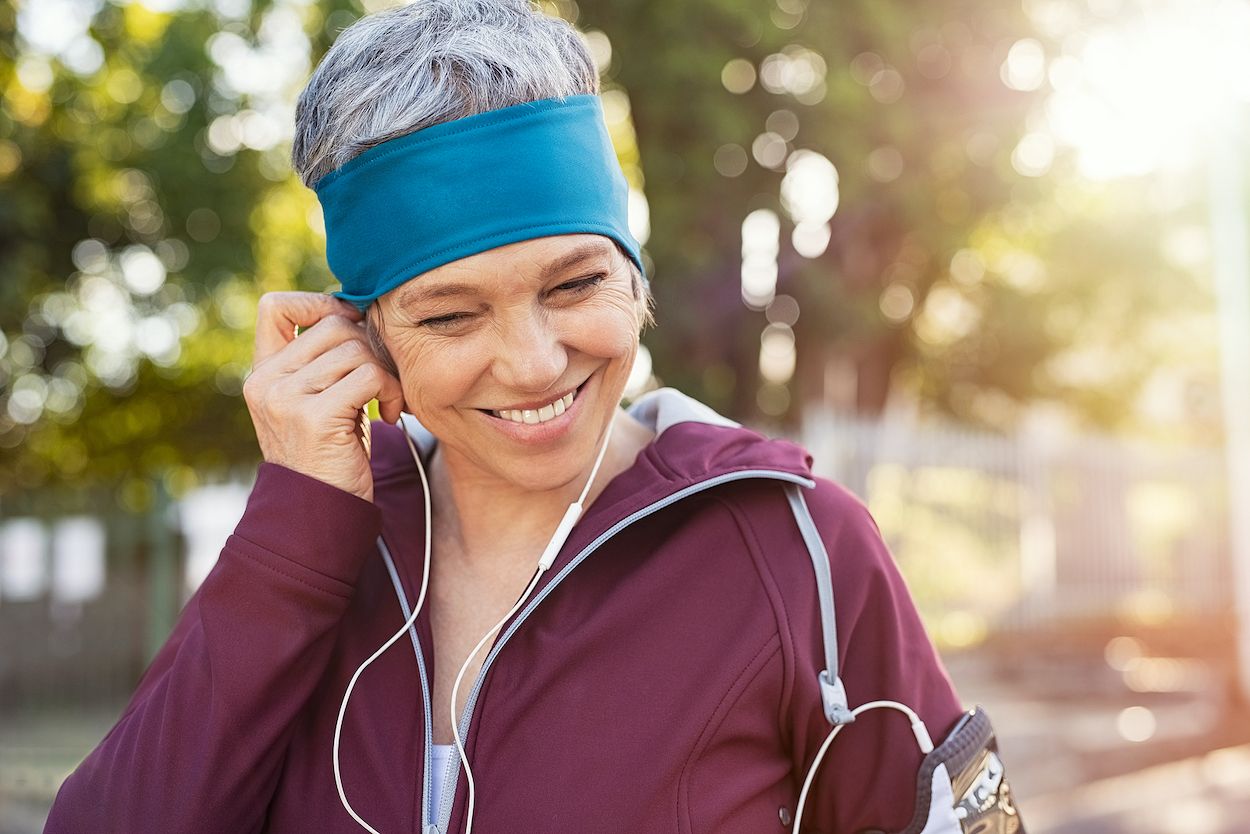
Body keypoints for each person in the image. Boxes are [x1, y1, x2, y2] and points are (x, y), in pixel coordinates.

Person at [45, 2, 1023, 832]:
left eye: (572, 284)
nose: (532, 362)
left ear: (631, 274)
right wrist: (299, 521)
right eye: (451, 314)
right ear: (363, 332)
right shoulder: (316, 543)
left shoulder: (796, 544)